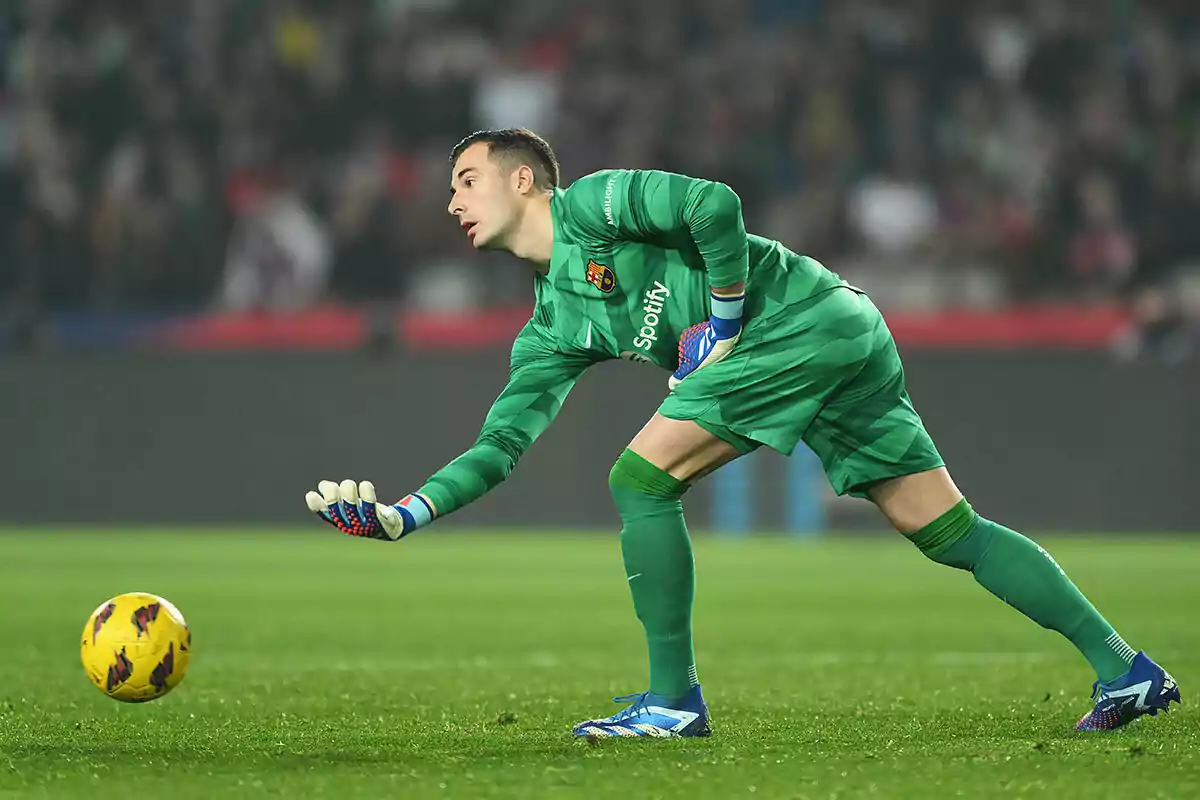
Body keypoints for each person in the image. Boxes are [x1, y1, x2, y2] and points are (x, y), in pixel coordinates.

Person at [306, 128, 1179, 737]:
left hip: (795, 317)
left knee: (639, 479)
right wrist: (407, 514)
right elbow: (500, 446)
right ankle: (1127, 669)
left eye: (466, 180)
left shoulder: (599, 203)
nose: (452, 200)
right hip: (841, 334)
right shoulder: (549, 328)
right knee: (945, 530)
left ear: (523, 179)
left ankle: (672, 702)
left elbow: (714, 205)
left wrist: (722, 317)